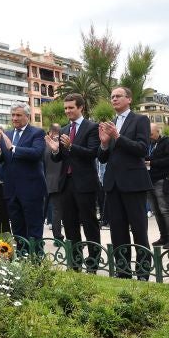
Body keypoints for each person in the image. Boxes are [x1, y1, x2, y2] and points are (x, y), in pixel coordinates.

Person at [97, 86, 153, 280]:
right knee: (117, 231)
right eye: (112, 97)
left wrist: (118, 137)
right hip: (113, 185)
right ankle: (122, 271)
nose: (114, 99)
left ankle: (143, 272)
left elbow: (142, 149)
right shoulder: (111, 123)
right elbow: (103, 158)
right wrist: (104, 143)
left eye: (118, 96)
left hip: (134, 183)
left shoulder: (140, 120)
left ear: (129, 99)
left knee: (139, 230)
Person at [47, 93, 102, 269]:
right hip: (66, 184)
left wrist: (72, 146)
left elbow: (93, 153)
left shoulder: (92, 127)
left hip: (85, 183)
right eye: (66, 108)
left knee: (89, 224)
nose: (68, 111)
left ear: (80, 108)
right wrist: (55, 151)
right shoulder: (63, 130)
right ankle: (75, 262)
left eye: (71, 107)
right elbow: (60, 159)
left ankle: (93, 261)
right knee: (69, 224)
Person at [0, 102, 46, 251]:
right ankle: (22, 259)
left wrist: (13, 148)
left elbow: (37, 153)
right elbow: (3, 159)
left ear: (27, 116)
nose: (14, 118)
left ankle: (36, 262)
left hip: (31, 189)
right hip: (11, 189)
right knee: (17, 228)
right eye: (13, 115)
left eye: (18, 115)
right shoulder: (7, 134)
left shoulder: (37, 133)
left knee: (34, 228)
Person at [146, 123, 169, 248]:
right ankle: (164, 236)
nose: (149, 136)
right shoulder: (149, 143)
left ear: (158, 131)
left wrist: (151, 162)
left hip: (162, 179)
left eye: (151, 134)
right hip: (149, 180)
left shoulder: (167, 142)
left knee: (165, 210)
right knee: (156, 210)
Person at [43, 123, 64, 241]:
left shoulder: (44, 145)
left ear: (50, 132)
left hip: (46, 180)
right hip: (59, 181)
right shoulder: (60, 144)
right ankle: (57, 237)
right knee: (57, 211)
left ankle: (36, 238)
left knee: (43, 211)